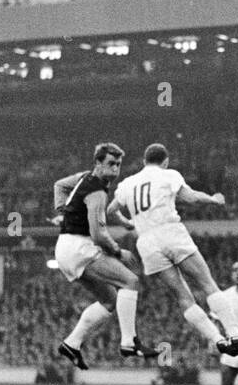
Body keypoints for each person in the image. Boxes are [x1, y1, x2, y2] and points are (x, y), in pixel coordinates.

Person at [110, 143, 238, 357]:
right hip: (170, 232)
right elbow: (191, 197)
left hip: (147, 242)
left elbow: (111, 209)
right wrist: (212, 199)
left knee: (182, 295)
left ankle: (217, 339)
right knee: (206, 282)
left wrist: (126, 222)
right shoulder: (168, 175)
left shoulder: (128, 183)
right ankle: (233, 332)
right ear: (165, 161)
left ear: (144, 161)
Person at [51, 142, 159, 370]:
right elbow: (98, 234)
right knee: (130, 281)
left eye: (118, 164)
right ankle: (129, 343)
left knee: (109, 300)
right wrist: (119, 251)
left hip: (66, 247)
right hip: (79, 247)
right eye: (110, 163)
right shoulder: (97, 191)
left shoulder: (84, 177)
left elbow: (59, 185)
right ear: (98, 163)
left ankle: (72, 344)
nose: (115, 169)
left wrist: (63, 212)